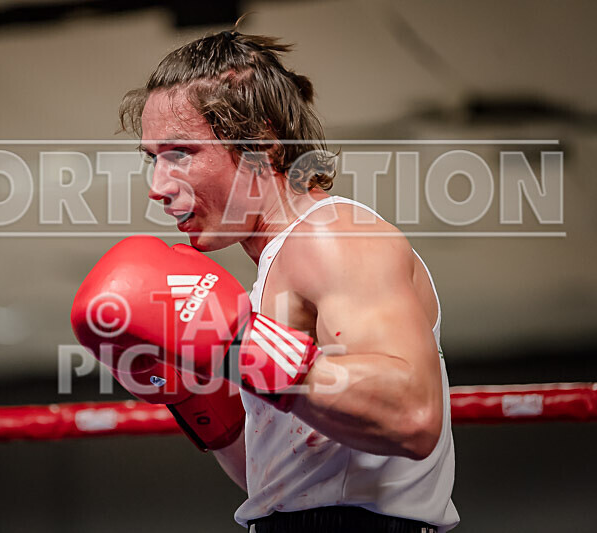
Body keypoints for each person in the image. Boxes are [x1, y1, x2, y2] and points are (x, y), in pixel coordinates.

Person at [74, 29, 459, 532]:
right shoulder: (275, 268)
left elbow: (412, 415)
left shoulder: (331, 235)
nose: (158, 188)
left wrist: (239, 345)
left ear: (263, 143)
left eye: (181, 154)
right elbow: (281, 488)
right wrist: (194, 396)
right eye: (153, 158)